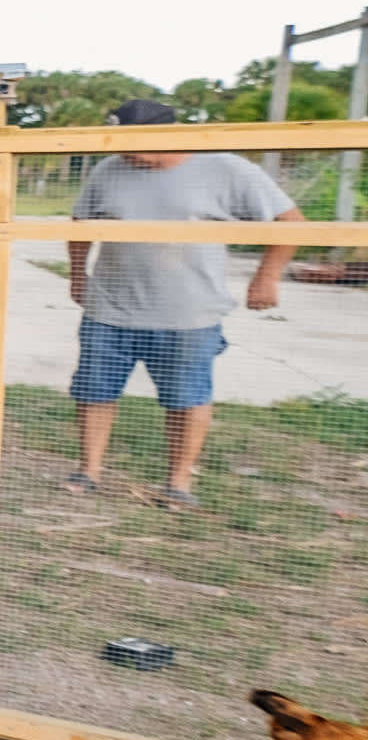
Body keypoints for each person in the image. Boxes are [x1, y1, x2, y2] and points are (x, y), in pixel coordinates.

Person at [63, 97, 304, 506]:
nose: (125, 153)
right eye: (118, 143)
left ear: (169, 133)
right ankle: (89, 471)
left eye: (134, 143)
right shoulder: (108, 171)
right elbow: (80, 225)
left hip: (188, 315)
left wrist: (266, 277)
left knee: (186, 398)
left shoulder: (226, 169)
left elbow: (291, 223)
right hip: (110, 308)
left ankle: (178, 483)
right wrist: (76, 275)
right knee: (93, 392)